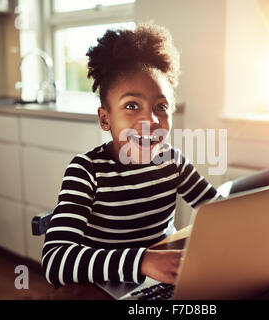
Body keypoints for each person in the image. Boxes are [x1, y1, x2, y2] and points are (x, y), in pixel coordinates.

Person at [41, 23, 220, 288]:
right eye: (131, 106)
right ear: (105, 119)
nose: (150, 120)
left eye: (161, 107)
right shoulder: (86, 171)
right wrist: (143, 261)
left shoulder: (173, 162)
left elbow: (219, 212)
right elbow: (55, 261)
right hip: (102, 286)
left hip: (159, 284)